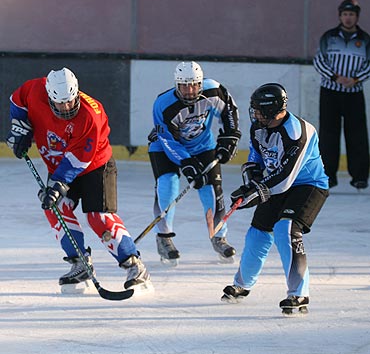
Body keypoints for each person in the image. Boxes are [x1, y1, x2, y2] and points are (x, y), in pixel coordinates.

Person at [6, 67, 151, 294]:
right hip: (59, 166)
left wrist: (56, 185)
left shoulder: (91, 114)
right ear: (49, 95)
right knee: (55, 208)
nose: (65, 108)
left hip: (95, 166)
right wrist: (19, 128)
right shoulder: (35, 90)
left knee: (98, 217)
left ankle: (134, 265)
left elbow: (79, 159)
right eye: (59, 103)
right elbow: (17, 101)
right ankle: (80, 263)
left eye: (70, 101)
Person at [221, 83, 329, 315]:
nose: (255, 114)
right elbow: (255, 156)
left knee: (286, 228)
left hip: (308, 186)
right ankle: (242, 284)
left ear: (272, 110)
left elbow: (286, 178)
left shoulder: (298, 132)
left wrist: (254, 193)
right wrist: (251, 179)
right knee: (257, 232)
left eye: (259, 110)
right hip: (274, 185)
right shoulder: (258, 127)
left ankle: (298, 292)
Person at [148, 61, 241, 265]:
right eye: (184, 86)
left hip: (202, 146)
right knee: (168, 184)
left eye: (194, 85)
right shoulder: (163, 104)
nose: (189, 91)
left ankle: (219, 236)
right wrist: (187, 164)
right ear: (176, 85)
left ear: (200, 83)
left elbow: (230, 113)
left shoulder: (214, 91)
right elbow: (167, 140)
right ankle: (164, 238)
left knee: (211, 190)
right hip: (164, 147)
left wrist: (230, 137)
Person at [313, 0, 370, 189]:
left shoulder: (365, 39)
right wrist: (334, 77)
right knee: (329, 134)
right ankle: (328, 176)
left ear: (356, 17)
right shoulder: (329, 37)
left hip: (354, 93)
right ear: (340, 16)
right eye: (345, 14)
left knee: (357, 135)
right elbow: (319, 60)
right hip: (330, 92)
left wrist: (355, 79)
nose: (348, 18)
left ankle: (360, 176)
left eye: (351, 14)